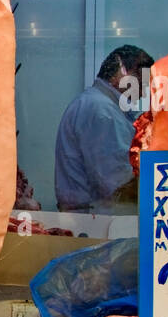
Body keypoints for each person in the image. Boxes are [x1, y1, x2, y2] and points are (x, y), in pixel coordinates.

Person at [54, 44, 154, 213]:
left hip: (93, 218)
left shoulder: (97, 104)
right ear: (124, 74)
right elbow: (119, 184)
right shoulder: (102, 111)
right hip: (95, 222)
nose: (143, 94)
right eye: (142, 85)